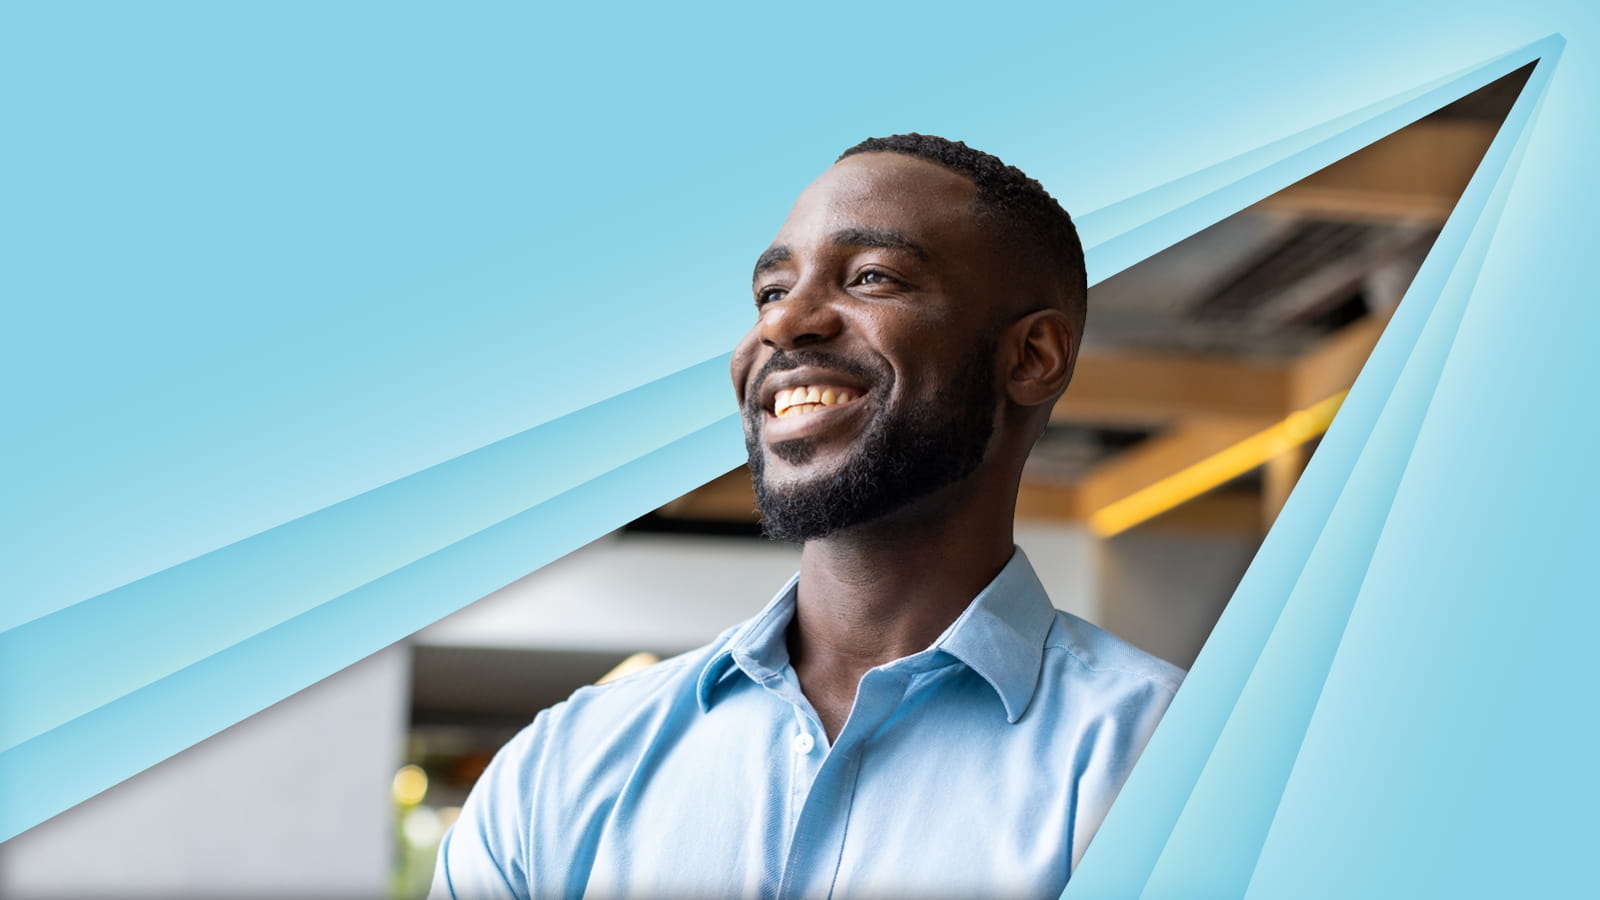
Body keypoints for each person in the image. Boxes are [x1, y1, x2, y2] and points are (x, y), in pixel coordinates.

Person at [431, 134, 1183, 899]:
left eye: (871, 277)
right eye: (770, 292)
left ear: (1031, 357)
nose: (784, 325)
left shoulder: (1171, 761)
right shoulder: (561, 768)